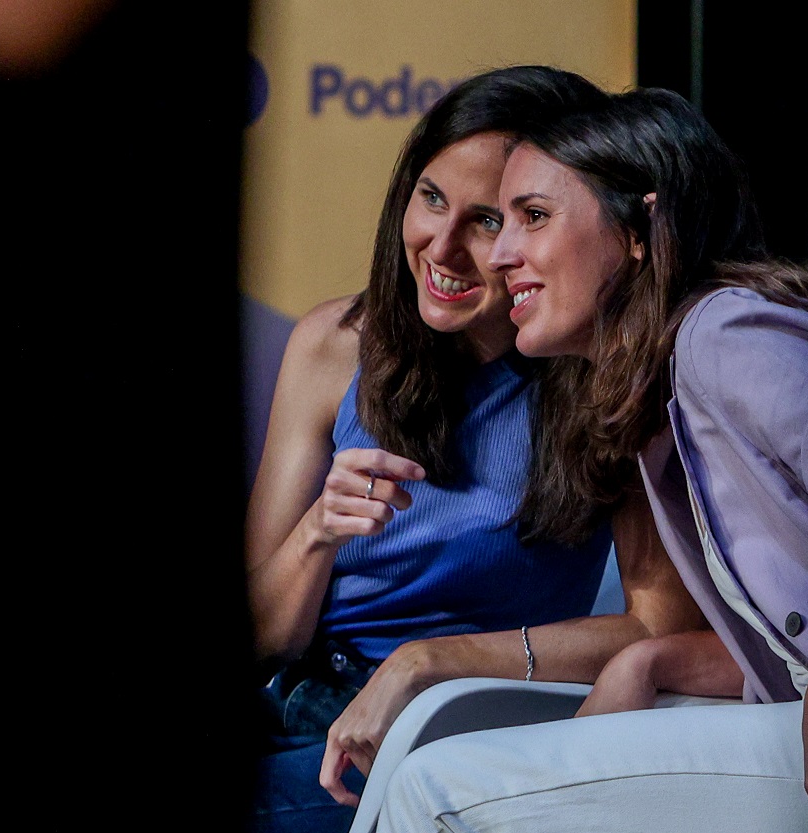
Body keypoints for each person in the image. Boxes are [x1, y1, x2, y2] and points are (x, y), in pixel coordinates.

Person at [376, 86, 808, 832]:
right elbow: (779, 642)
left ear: (641, 227)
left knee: (434, 787)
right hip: (804, 722)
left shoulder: (723, 336)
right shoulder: (659, 380)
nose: (502, 254)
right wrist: (649, 661)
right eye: (501, 222)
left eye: (533, 217)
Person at [247, 68, 709, 833]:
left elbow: (658, 622)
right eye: (431, 199)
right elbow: (262, 633)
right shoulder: (332, 344)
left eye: (491, 219)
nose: (444, 247)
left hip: (444, 726)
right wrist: (317, 532)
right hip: (287, 702)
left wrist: (428, 659)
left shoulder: (603, 373)